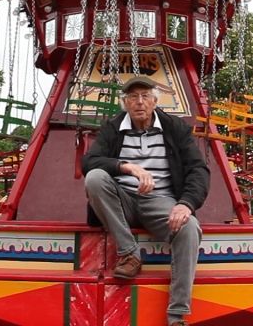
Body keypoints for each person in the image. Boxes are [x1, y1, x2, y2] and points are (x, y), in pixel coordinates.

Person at [82, 75, 210, 326]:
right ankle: (129, 253)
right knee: (95, 178)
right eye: (132, 97)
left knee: (190, 228)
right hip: (122, 200)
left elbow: (198, 169)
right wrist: (128, 167)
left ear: (154, 101)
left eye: (144, 96)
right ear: (125, 103)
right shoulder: (113, 127)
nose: (139, 102)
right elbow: (89, 162)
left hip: (161, 200)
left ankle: (177, 315)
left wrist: (186, 204)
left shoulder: (175, 128)